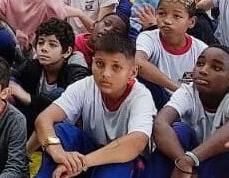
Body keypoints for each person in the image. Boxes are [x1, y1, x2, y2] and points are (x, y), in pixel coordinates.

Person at [34, 32, 156, 178]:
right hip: (89, 150)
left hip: (122, 159)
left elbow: (136, 142)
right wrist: (57, 152)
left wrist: (83, 162)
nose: (105, 73)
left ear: (133, 71)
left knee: (114, 171)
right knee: (63, 131)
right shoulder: (85, 85)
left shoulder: (141, 96)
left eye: (116, 67)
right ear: (91, 62)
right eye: (99, 64)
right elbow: (44, 119)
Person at [145, 46, 229, 178]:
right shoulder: (188, 91)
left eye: (216, 68)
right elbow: (160, 123)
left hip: (219, 161)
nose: (203, 70)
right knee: (178, 131)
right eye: (200, 64)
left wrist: (191, 159)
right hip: (187, 159)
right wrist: (184, 162)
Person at [9, 18, 90, 141]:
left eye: (52, 44)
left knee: (58, 94)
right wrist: (11, 88)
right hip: (35, 125)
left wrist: (27, 98)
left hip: (66, 132)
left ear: (67, 51)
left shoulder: (76, 72)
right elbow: (9, 76)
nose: (44, 48)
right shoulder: (33, 66)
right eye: (41, 43)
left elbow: (69, 104)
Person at [135, 0, 208, 108]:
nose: (167, 20)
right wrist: (178, 89)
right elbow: (138, 62)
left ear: (191, 22)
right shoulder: (148, 37)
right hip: (157, 102)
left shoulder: (201, 49)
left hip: (188, 106)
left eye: (176, 16)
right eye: (162, 13)